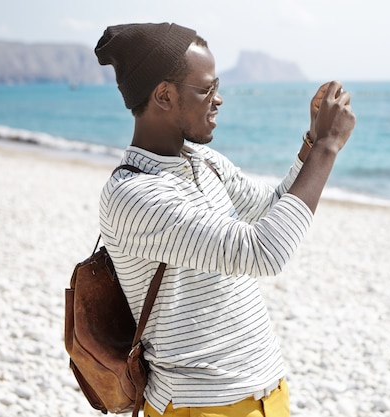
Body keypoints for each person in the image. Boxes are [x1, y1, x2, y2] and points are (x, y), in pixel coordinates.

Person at [94, 22, 355, 417]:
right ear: (164, 95)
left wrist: (311, 142)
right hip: (200, 406)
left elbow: (272, 209)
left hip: (266, 395)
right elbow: (264, 252)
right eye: (207, 89)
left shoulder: (201, 162)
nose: (219, 100)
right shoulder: (135, 195)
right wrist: (328, 148)